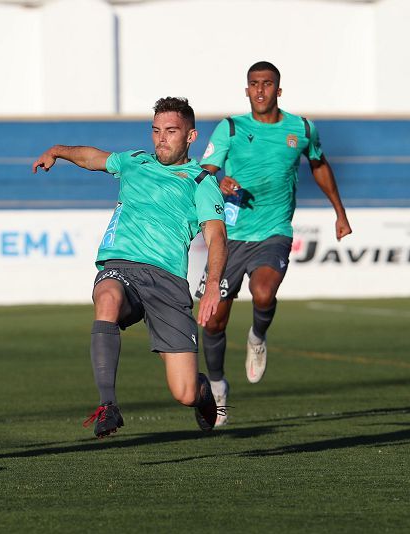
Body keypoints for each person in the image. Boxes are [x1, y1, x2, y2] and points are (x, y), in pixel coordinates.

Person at [32, 97, 228, 437]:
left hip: (167, 282)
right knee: (106, 297)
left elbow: (216, 236)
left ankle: (203, 393)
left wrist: (212, 284)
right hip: (121, 266)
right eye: (156, 131)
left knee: (183, 392)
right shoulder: (135, 161)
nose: (161, 138)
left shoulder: (200, 182)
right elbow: (94, 158)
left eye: (171, 131)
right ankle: (107, 405)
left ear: (191, 137)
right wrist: (58, 150)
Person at [196, 61, 352, 425]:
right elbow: (205, 172)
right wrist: (218, 183)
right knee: (213, 321)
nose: (261, 90)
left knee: (264, 293)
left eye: (267, 84)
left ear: (278, 90)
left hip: (274, 230)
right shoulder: (231, 128)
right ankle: (217, 387)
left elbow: (319, 164)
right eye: (254, 84)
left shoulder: (302, 129)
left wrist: (339, 212)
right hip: (229, 237)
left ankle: (257, 336)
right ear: (246, 90)